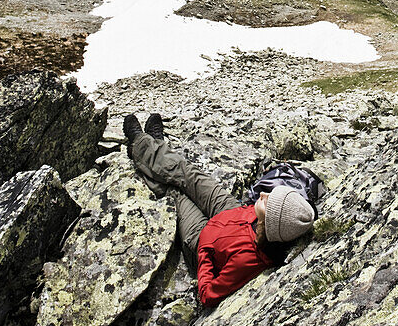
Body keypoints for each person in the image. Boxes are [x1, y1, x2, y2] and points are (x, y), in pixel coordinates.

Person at [123, 113, 316, 308]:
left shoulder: (245, 260)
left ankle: (140, 144)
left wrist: (204, 252)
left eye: (268, 202)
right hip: (234, 213)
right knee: (188, 173)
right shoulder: (267, 224)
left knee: (176, 193)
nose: (263, 195)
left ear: (271, 223)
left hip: (202, 239)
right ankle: (153, 145)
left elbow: (208, 294)